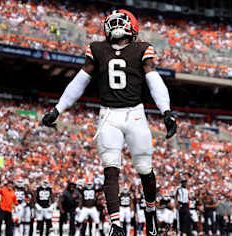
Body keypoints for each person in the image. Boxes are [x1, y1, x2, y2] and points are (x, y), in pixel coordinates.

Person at [42, 9, 177, 236]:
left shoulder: (139, 49)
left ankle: (150, 211)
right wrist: (58, 109)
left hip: (133, 113)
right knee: (110, 169)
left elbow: (153, 79)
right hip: (109, 115)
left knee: (144, 168)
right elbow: (81, 79)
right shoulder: (99, 49)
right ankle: (116, 224)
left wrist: (166, 111)